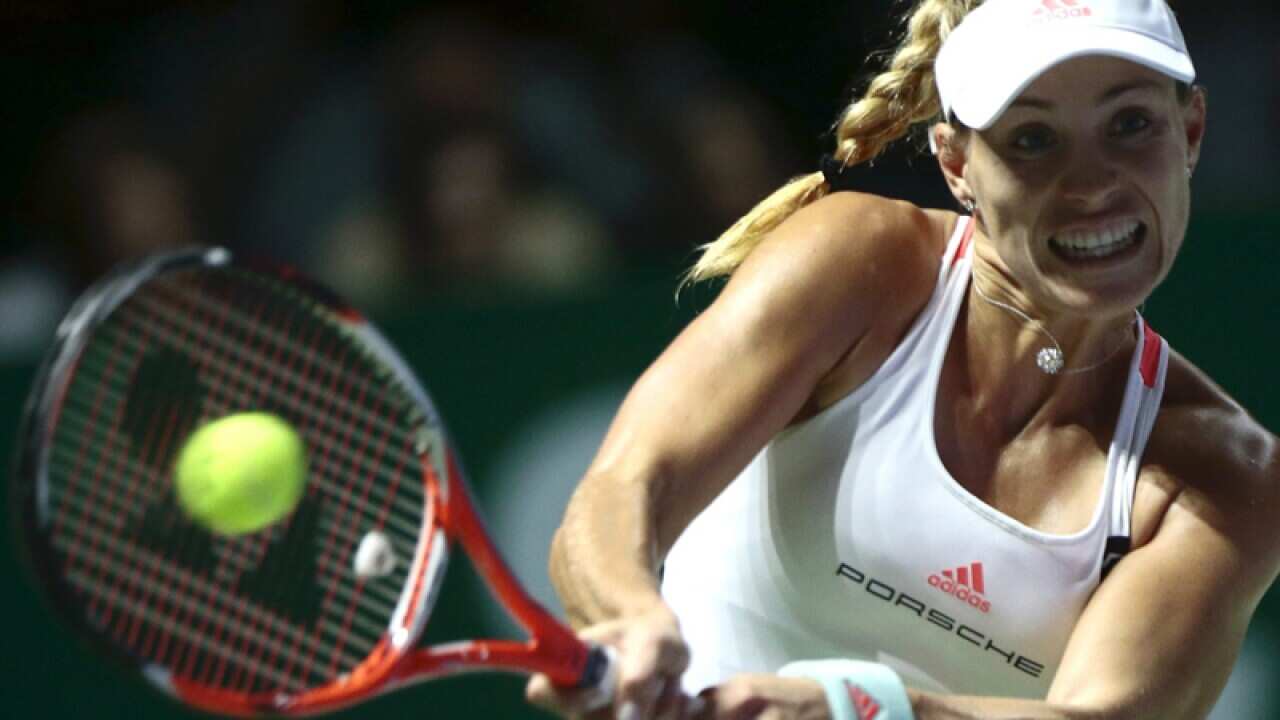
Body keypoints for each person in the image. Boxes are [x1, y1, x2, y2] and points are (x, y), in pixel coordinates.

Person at [527, 1, 1280, 718]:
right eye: (1033, 139)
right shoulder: (858, 259)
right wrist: (632, 619)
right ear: (956, 166)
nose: (1092, 184)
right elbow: (629, 486)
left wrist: (863, 711)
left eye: (1130, 124)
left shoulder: (1231, 478)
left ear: (1191, 132)